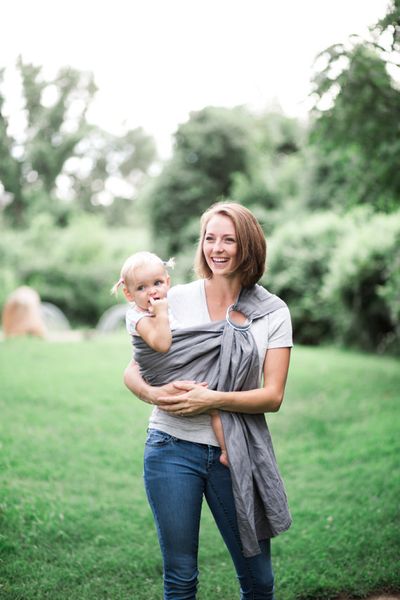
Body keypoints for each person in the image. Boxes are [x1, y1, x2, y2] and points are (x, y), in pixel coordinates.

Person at [124, 202, 293, 600]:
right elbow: (133, 368)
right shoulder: (173, 299)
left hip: (231, 453)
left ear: (248, 246)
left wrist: (211, 399)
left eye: (229, 239)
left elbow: (273, 396)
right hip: (169, 447)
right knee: (180, 579)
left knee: (259, 580)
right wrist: (152, 394)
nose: (217, 248)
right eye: (209, 238)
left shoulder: (272, 313)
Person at [112, 251, 229, 466]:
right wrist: (162, 313)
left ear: (168, 282)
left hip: (183, 366)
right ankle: (227, 451)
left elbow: (183, 339)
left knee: (215, 408)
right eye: (141, 288)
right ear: (129, 295)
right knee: (214, 408)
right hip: (166, 373)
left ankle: (224, 450)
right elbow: (162, 344)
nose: (152, 291)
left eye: (157, 283)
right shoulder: (137, 316)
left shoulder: (171, 303)